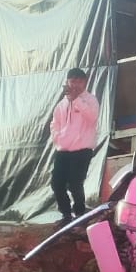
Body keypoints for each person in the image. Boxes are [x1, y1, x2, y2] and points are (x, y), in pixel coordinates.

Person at [49, 67, 100, 224]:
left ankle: (79, 213)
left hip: (82, 150)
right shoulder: (61, 105)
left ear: (85, 82)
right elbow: (54, 125)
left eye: (79, 81)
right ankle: (66, 215)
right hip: (63, 151)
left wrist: (76, 100)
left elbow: (92, 118)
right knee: (57, 183)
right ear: (67, 82)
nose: (76, 85)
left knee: (75, 183)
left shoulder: (91, 100)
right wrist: (58, 139)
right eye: (72, 81)